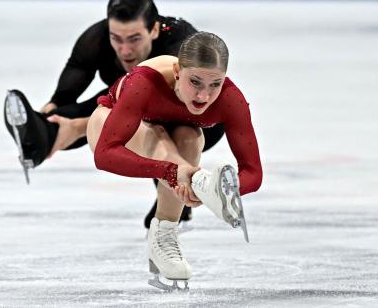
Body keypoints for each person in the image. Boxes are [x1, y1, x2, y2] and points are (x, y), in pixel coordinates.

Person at [4, 0, 226, 226]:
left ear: (154, 30)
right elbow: (67, 91)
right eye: (117, 39)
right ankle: (39, 139)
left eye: (134, 39)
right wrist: (47, 118)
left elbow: (161, 114)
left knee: (157, 128)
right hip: (133, 102)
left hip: (197, 119)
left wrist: (78, 127)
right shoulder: (97, 38)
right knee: (69, 116)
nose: (125, 50)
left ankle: (176, 200)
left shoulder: (180, 46)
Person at [85, 31, 263, 290]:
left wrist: (227, 191)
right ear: (178, 70)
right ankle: (199, 182)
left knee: (191, 138)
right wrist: (170, 171)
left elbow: (253, 173)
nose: (204, 95)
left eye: (215, 84)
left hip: (175, 138)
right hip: (108, 125)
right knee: (157, 136)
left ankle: (165, 233)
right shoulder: (145, 82)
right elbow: (105, 154)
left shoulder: (230, 98)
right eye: (196, 81)